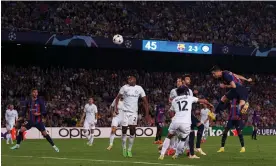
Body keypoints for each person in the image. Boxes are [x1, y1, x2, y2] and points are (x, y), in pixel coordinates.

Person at [158, 86, 213, 160]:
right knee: (183, 139)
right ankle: (176, 155)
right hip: (186, 123)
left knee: (169, 136)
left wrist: (172, 117)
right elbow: (203, 101)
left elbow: (170, 111)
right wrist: (209, 104)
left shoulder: (174, 100)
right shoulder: (189, 97)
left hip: (176, 121)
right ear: (185, 91)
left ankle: (162, 154)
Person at [115, 76, 150, 157]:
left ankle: (129, 150)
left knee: (132, 130)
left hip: (134, 113)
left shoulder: (139, 88)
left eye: (130, 79)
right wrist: (116, 108)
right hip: (124, 112)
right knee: (124, 130)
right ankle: (124, 148)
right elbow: (117, 98)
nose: (129, 80)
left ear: (135, 80)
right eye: (128, 79)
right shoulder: (124, 88)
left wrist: (147, 114)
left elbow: (145, 102)